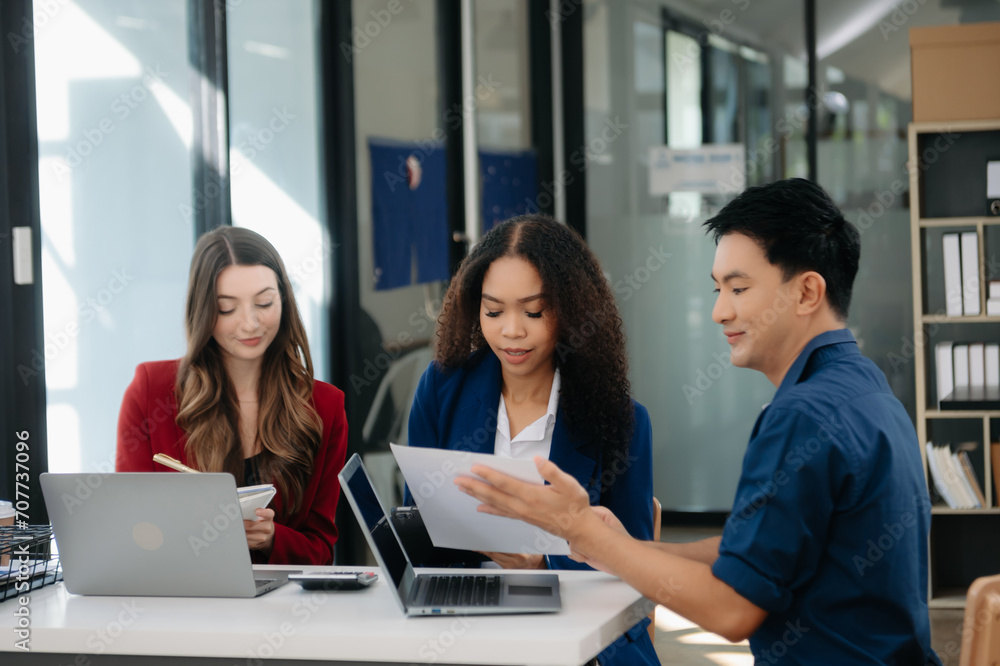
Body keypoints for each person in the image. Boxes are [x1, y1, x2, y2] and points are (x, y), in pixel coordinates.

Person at [457, 179, 942, 665]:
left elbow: (732, 610)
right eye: (717, 289)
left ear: (808, 291)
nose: (719, 311)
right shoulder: (863, 385)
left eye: (738, 288)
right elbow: (744, 553)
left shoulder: (802, 416)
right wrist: (617, 547)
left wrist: (580, 529)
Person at [407, 214, 659, 666]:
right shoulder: (441, 389)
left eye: (534, 311)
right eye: (493, 310)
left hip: (575, 640)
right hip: (460, 632)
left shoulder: (621, 421)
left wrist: (542, 565)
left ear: (571, 308)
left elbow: (636, 573)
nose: (512, 331)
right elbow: (415, 528)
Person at [116, 226, 347, 566]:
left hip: (280, 611)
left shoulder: (324, 406)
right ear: (204, 312)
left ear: (283, 297)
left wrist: (272, 538)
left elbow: (321, 550)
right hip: (179, 599)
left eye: (264, 302)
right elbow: (128, 527)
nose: (250, 323)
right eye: (227, 309)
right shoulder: (150, 391)